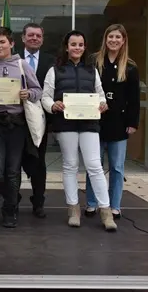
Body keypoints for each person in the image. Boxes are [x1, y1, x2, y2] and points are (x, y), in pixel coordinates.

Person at [40, 30, 117, 231]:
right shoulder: (54, 70)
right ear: (66, 47)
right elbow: (45, 96)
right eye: (73, 44)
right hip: (65, 124)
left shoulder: (92, 70)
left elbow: (100, 94)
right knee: (70, 165)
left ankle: (106, 211)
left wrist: (103, 104)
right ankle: (73, 209)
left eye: (80, 45)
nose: (77, 48)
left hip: (89, 123)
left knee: (94, 165)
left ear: (85, 47)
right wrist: (53, 105)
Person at [0, 27, 42, 229]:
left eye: (2, 42)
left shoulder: (22, 65)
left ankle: (10, 211)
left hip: (16, 124)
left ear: (12, 43)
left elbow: (37, 90)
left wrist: (28, 94)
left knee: (13, 171)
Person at [85, 24, 140, 220]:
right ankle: (92, 203)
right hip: (95, 122)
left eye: (118, 37)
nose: (114, 40)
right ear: (105, 39)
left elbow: (134, 98)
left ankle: (115, 205)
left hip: (119, 123)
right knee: (94, 165)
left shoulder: (130, 67)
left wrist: (132, 123)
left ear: (123, 41)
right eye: (111, 37)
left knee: (116, 167)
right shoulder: (93, 62)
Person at [19, 23, 55, 218]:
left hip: (40, 119)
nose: (34, 38)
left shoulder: (51, 61)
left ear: (42, 39)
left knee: (39, 162)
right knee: (14, 162)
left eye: (38, 36)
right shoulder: (13, 58)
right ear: (23, 38)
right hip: (15, 117)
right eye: (30, 35)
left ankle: (38, 201)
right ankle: (12, 199)